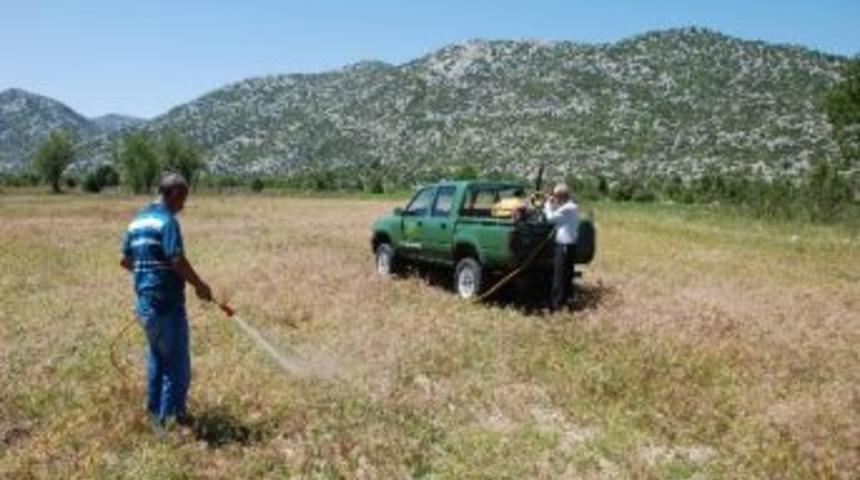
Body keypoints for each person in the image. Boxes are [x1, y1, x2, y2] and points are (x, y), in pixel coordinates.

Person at [120, 172, 213, 426]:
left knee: (157, 358)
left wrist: (148, 272)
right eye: (182, 199)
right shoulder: (167, 222)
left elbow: (125, 260)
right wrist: (200, 286)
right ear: (172, 194)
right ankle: (171, 422)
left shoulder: (137, 221)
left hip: (145, 305)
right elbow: (177, 259)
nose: (183, 206)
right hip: (166, 304)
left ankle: (155, 416)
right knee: (176, 366)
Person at [543, 183, 579, 311]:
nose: (554, 198)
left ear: (560, 196)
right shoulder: (572, 206)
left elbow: (550, 218)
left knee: (559, 276)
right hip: (570, 245)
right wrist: (553, 204)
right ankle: (567, 301)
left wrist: (547, 204)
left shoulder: (566, 208)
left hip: (563, 245)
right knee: (567, 274)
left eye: (555, 196)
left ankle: (556, 306)